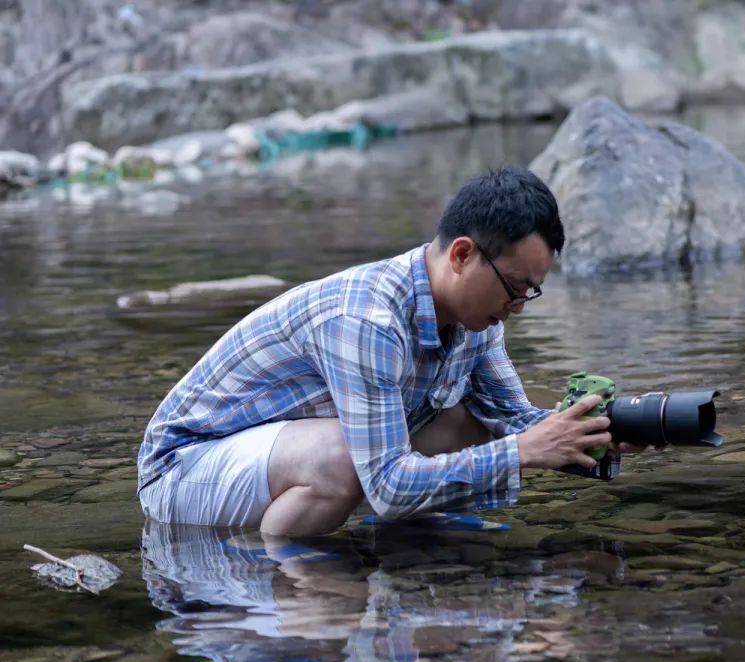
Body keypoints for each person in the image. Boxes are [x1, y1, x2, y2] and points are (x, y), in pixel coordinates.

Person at [137, 167, 614, 536]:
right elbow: (386, 485)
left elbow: (515, 421)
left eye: (529, 292)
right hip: (183, 471)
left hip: (268, 457)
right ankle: (285, 575)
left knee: (474, 423)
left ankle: (406, 549)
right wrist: (520, 452)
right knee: (340, 458)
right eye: (513, 287)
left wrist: (601, 434)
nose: (517, 308)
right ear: (462, 255)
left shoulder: (478, 321)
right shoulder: (367, 320)